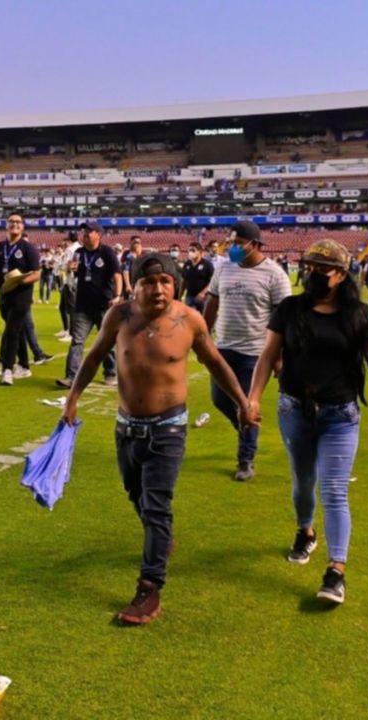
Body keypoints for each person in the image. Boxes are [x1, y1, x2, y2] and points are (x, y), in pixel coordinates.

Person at [62, 253, 256, 625]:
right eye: (149, 282)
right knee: (136, 496)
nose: (158, 289)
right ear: (134, 285)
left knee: (156, 506)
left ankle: (149, 589)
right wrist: (73, 398)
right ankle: (161, 540)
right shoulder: (118, 317)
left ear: (176, 284)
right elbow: (94, 356)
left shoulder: (190, 320)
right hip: (126, 428)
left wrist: (244, 403)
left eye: (165, 282)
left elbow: (215, 362)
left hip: (168, 429)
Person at [248, 240, 368, 605]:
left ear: (340, 275)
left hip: (339, 414)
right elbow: (268, 356)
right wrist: (254, 396)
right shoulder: (290, 309)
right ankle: (306, 530)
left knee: (334, 490)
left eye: (321, 269)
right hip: (295, 408)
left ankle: (336, 571)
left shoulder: (357, 314)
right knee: (303, 483)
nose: (312, 274)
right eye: (309, 267)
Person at [202, 220, 291, 481]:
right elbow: (212, 302)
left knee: (248, 403)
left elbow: (283, 319)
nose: (233, 248)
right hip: (222, 348)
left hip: (255, 353)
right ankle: (247, 425)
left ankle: (246, 460)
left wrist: (279, 356)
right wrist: (202, 337)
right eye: (231, 243)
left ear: (255, 245)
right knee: (219, 399)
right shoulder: (223, 269)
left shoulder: (275, 274)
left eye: (239, 244)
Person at [0, 211, 41, 386]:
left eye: (18, 222)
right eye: (11, 221)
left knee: (12, 330)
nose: (15, 224)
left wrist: (19, 281)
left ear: (23, 226)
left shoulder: (28, 248)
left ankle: (7, 369)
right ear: (6, 225)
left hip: (22, 295)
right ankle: (24, 365)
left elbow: (36, 274)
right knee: (16, 328)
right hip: (4, 295)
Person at [57, 221, 121, 389]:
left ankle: (110, 372)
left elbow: (117, 275)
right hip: (82, 304)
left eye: (89, 231)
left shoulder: (107, 252)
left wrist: (118, 295)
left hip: (103, 304)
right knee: (77, 341)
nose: (85, 233)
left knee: (106, 341)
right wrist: (70, 268)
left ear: (98, 234)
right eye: (84, 231)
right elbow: (75, 271)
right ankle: (71, 376)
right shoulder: (79, 252)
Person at [180, 242, 214, 313]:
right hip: (189, 296)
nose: (190, 252)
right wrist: (180, 295)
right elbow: (184, 281)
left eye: (193, 250)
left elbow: (212, 281)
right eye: (189, 250)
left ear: (199, 252)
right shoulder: (187, 264)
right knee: (188, 315)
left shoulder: (207, 265)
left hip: (203, 297)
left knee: (204, 315)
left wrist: (203, 293)